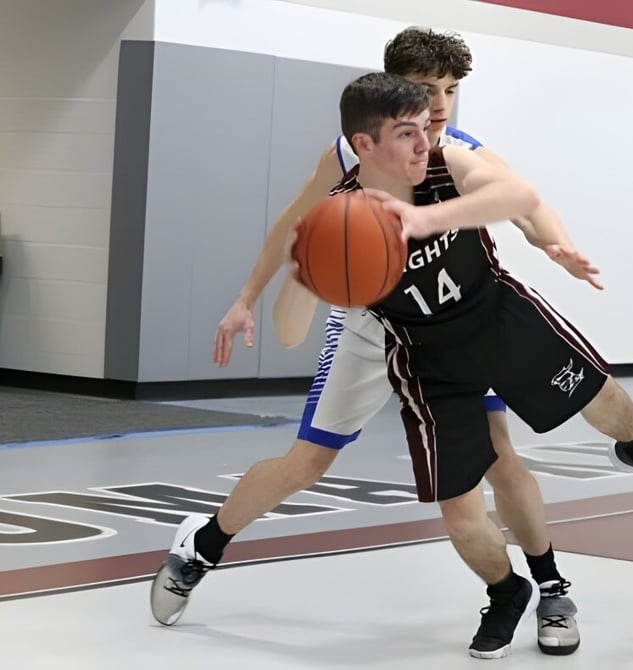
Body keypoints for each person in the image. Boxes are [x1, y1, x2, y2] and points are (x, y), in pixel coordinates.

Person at [150, 28, 594, 658]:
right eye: (424, 90)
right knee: (307, 460)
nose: (440, 104)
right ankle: (203, 547)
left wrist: (555, 243)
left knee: (500, 453)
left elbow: (525, 204)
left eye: (450, 91)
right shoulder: (347, 154)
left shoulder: (461, 151)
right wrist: (246, 296)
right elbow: (293, 225)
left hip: (449, 329)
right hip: (369, 326)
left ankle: (550, 588)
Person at [278, 71, 633, 659]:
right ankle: (508, 592)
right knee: (460, 511)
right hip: (426, 359)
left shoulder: (446, 163)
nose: (424, 136)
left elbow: (521, 198)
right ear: (364, 144)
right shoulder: (337, 218)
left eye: (433, 112)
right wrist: (304, 279)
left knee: (602, 399)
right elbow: (289, 325)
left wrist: (435, 221)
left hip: (497, 317)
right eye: (406, 129)